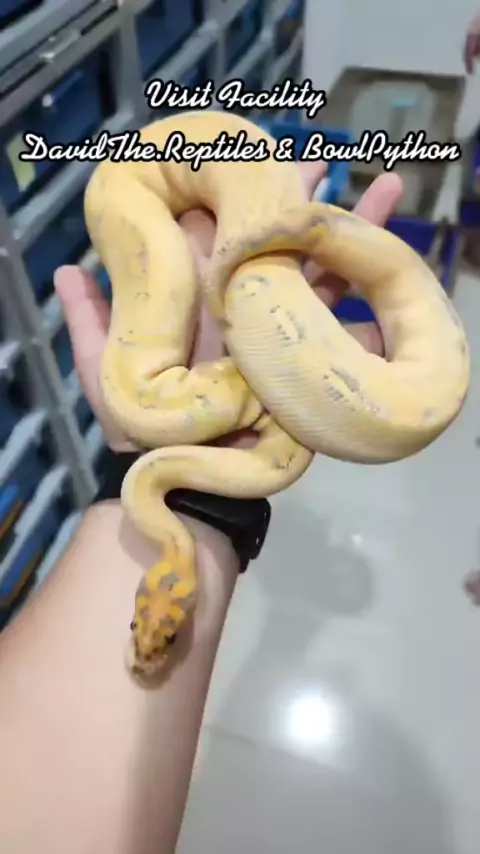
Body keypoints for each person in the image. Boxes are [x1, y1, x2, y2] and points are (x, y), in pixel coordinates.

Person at [0, 162, 403, 854]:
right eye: (159, 628)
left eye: (143, 622)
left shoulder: (158, 465)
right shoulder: (189, 468)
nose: (145, 644)